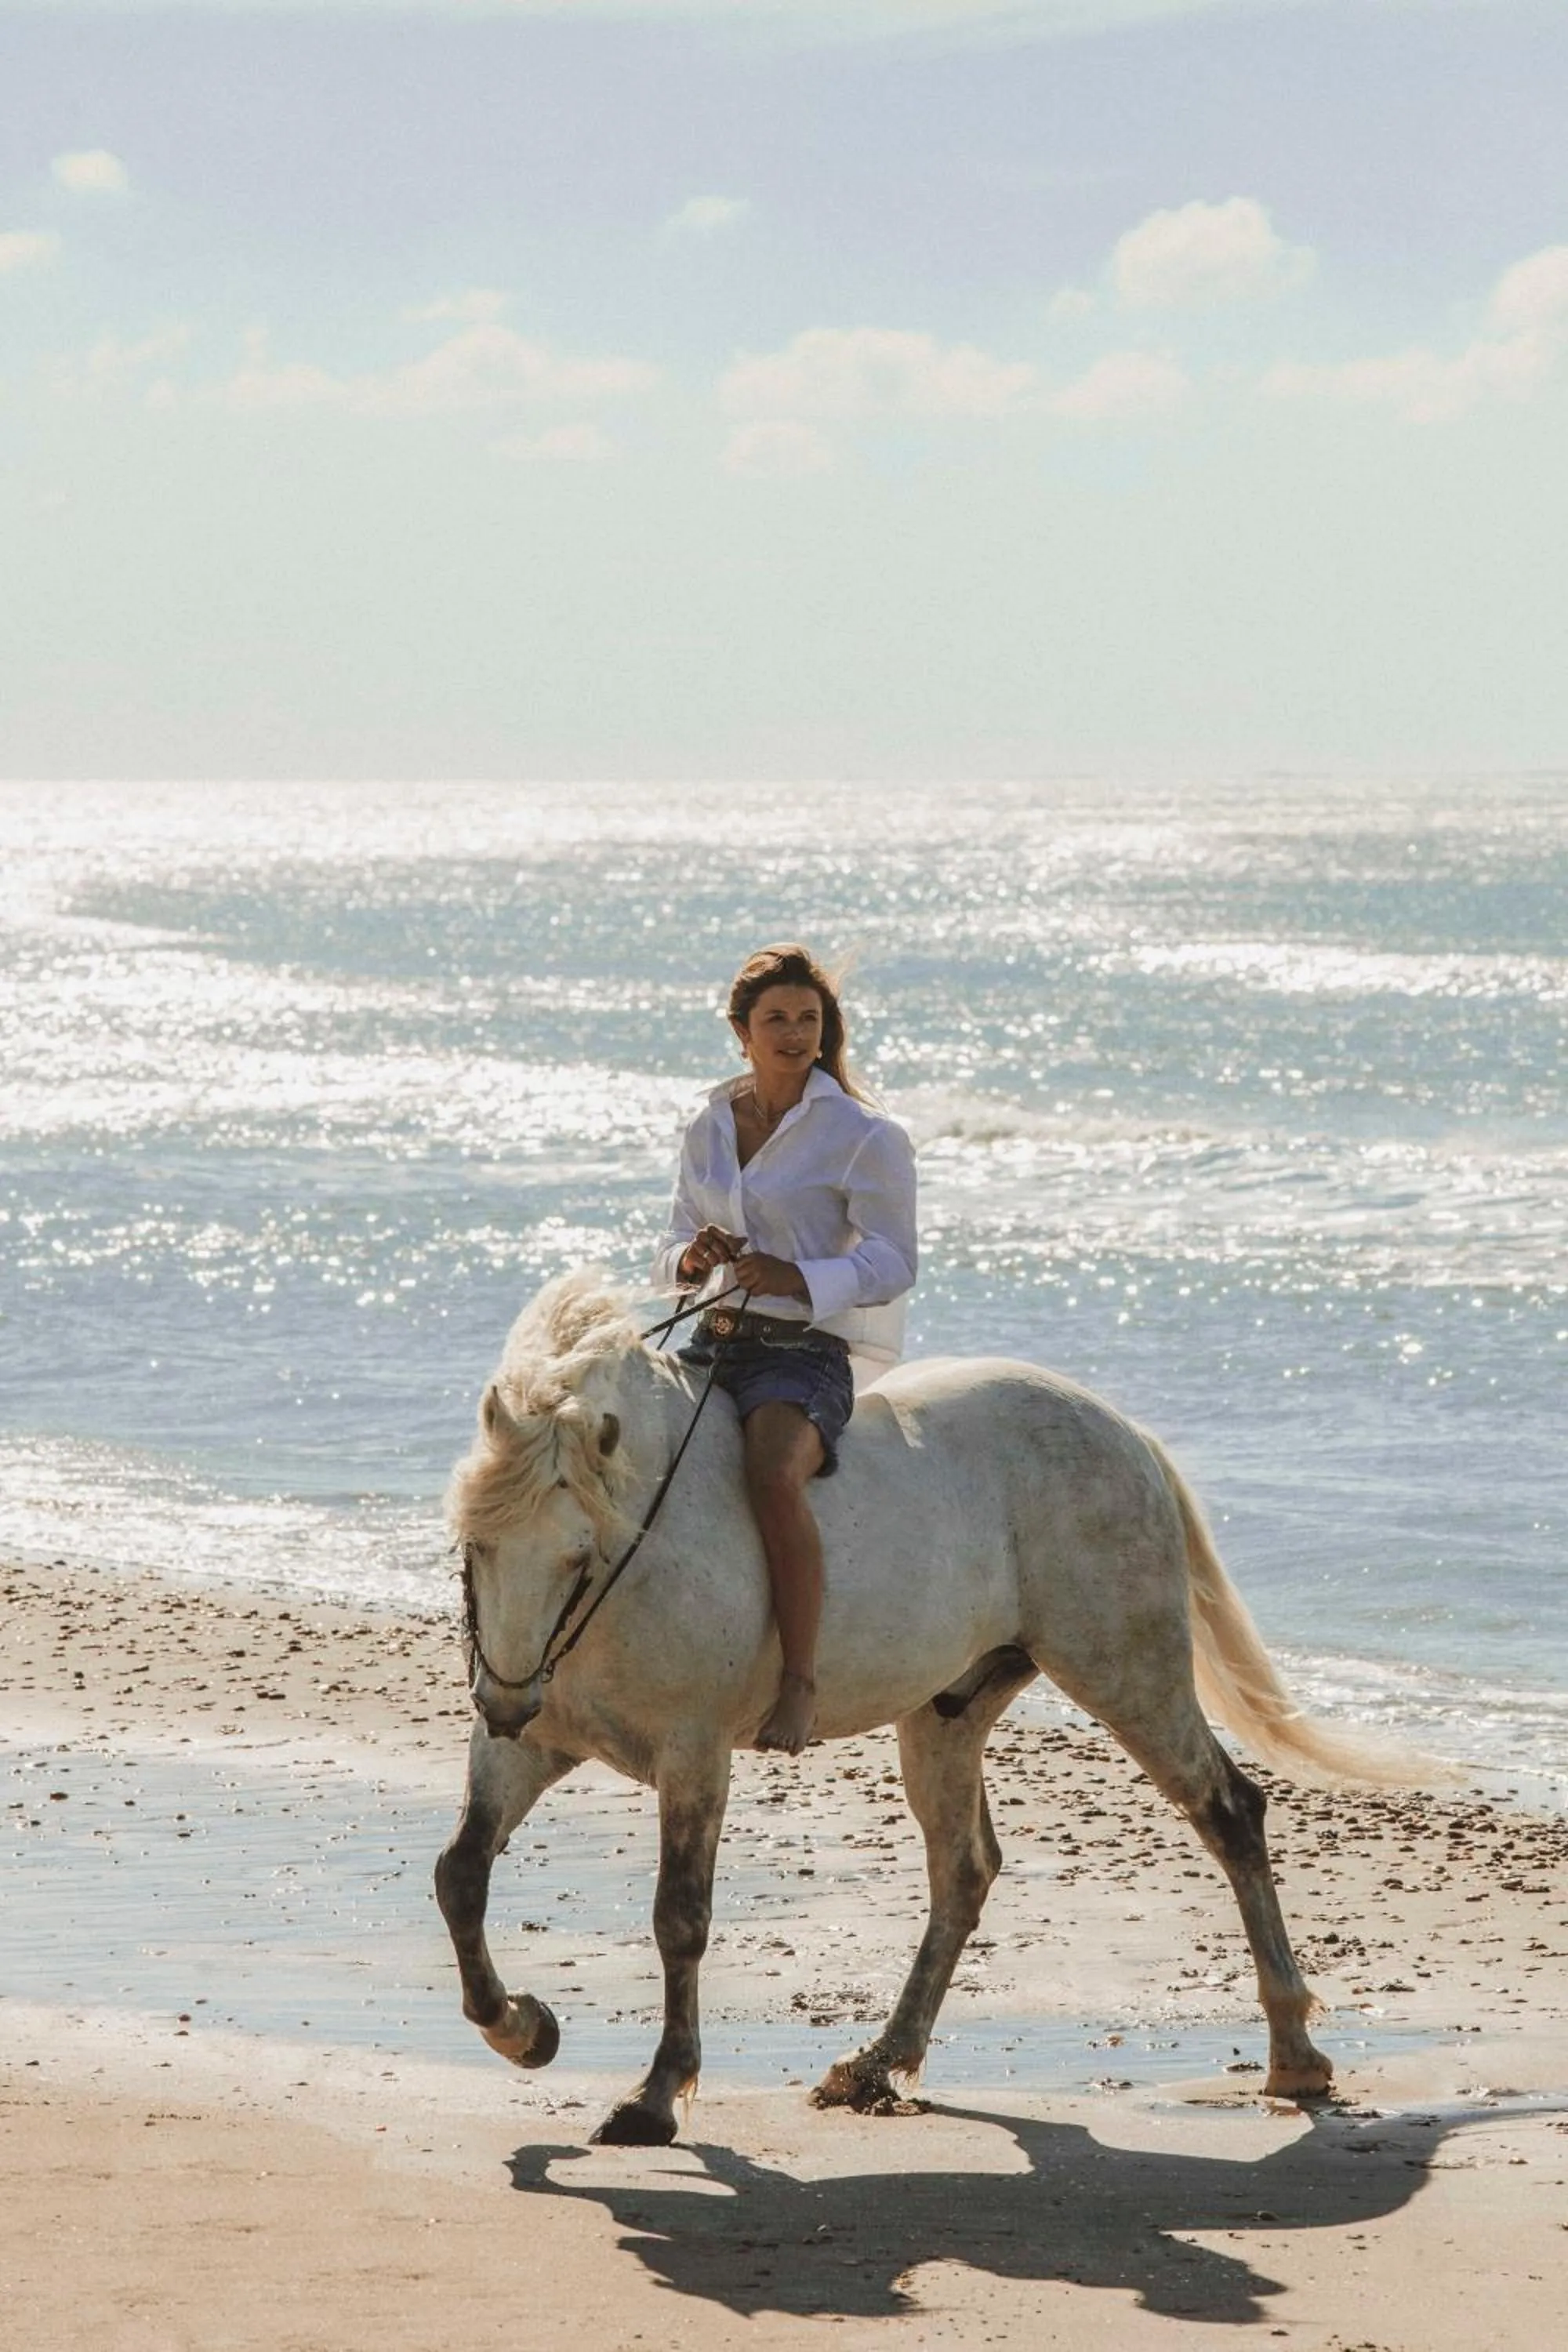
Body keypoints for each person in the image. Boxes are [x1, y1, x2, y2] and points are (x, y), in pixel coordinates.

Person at [652, 943, 917, 1755]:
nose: (794, 1033)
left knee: (770, 1474)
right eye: (776, 1020)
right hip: (712, 1337)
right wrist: (691, 1261)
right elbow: (667, 1247)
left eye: (808, 1019)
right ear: (741, 1032)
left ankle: (799, 1679)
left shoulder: (862, 1134)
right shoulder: (707, 1123)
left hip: (801, 1354)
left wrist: (796, 1275)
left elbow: (893, 1260)